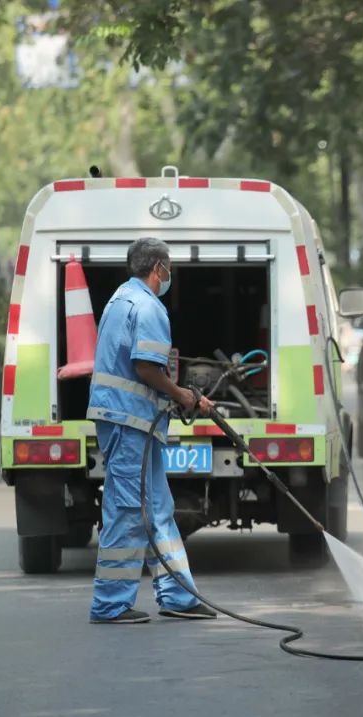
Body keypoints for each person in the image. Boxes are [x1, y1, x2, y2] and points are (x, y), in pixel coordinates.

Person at [87, 237, 217, 624]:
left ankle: (178, 596)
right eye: (169, 268)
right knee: (129, 511)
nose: (170, 275)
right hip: (130, 423)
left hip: (129, 421)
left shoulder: (119, 299)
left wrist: (178, 396)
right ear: (158, 268)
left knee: (158, 510)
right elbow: (146, 367)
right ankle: (110, 604)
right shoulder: (148, 306)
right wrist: (183, 395)